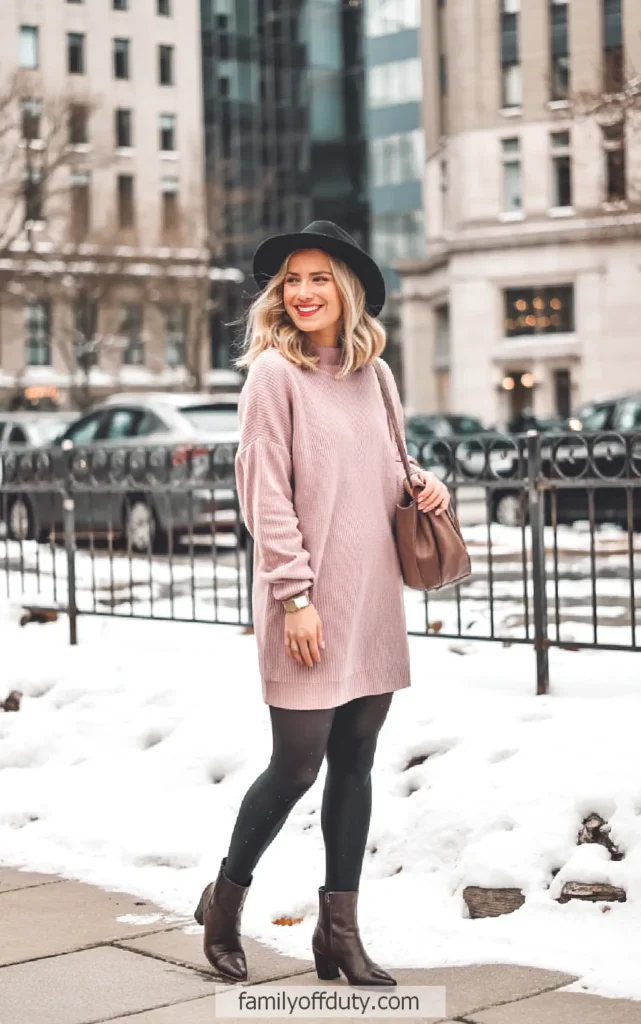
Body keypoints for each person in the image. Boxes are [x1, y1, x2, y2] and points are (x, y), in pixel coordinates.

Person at [194, 221, 451, 986]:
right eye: (290, 281)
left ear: (346, 289)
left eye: (316, 278)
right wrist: (295, 595)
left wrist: (425, 483)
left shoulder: (375, 374)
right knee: (297, 764)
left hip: (371, 591)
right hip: (303, 598)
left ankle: (338, 935)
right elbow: (264, 495)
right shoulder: (272, 376)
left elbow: (392, 465)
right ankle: (224, 901)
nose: (301, 292)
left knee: (357, 759)